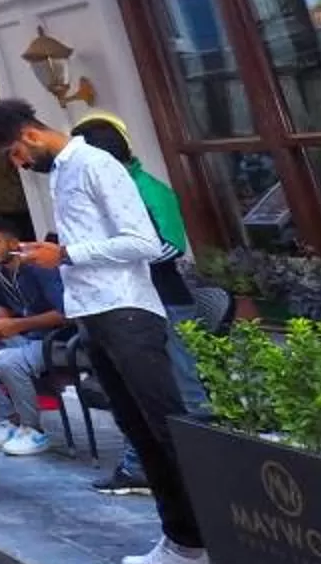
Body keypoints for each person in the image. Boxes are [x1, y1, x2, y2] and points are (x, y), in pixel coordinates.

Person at [0, 98, 236, 564]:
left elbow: (143, 242)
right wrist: (52, 257)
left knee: (168, 429)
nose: (19, 165)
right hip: (94, 314)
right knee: (137, 429)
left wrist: (67, 254)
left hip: (129, 312)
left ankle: (227, 561)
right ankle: (183, 544)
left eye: (14, 154)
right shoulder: (61, 174)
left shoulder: (97, 164)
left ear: (30, 136)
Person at [69, 114, 213, 496]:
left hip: (164, 299)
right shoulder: (101, 190)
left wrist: (106, 258)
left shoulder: (146, 188)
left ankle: (203, 470)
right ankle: (146, 467)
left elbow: (169, 246)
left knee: (184, 389)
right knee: (138, 390)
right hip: (128, 303)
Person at [0, 216, 69, 455]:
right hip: (22, 337)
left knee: (7, 359)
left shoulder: (39, 267)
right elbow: (1, 303)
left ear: (13, 243)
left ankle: (34, 430)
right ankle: (11, 418)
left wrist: (17, 325)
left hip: (55, 341)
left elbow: (64, 313)